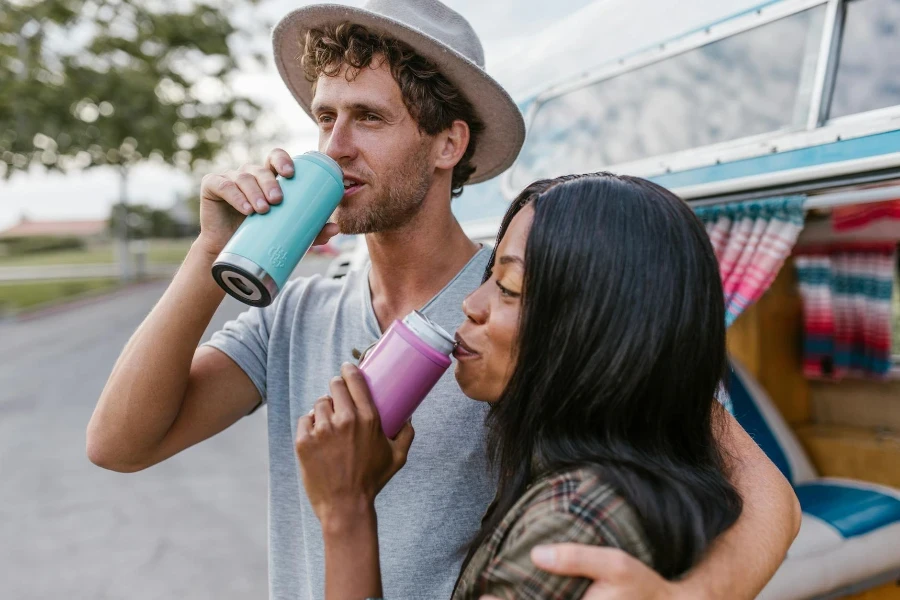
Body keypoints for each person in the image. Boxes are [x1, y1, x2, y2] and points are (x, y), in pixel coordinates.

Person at [86, 1, 800, 599]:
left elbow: (768, 496)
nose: (332, 147)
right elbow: (120, 444)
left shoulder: (535, 304)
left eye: (367, 117)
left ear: (447, 144)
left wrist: (691, 597)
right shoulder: (294, 313)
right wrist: (210, 249)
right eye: (323, 117)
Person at [294, 172, 744, 599]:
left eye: (507, 286)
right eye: (489, 277)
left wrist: (345, 510)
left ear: (595, 327)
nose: (471, 304)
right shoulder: (612, 481)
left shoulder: (571, 527)